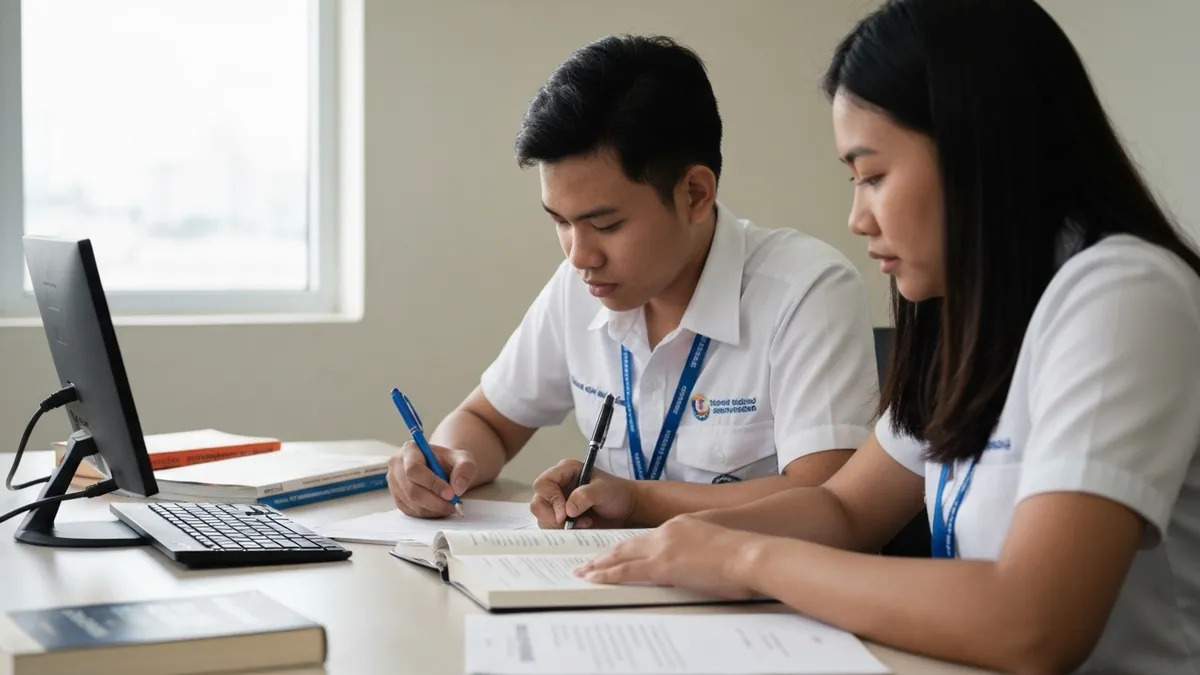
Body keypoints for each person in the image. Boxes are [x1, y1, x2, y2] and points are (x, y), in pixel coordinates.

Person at [575, 1, 1200, 673]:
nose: (857, 218)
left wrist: (745, 558)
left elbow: (1034, 621)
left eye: (872, 176)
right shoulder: (976, 308)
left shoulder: (1124, 296)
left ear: (977, 150)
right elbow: (844, 509)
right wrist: (667, 533)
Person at [385, 35, 882, 530]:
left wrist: (639, 502)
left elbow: (825, 498)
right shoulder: (578, 287)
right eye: (560, 222)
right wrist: (446, 463)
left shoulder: (807, 290)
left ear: (695, 194)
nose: (580, 256)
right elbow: (488, 421)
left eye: (606, 225)